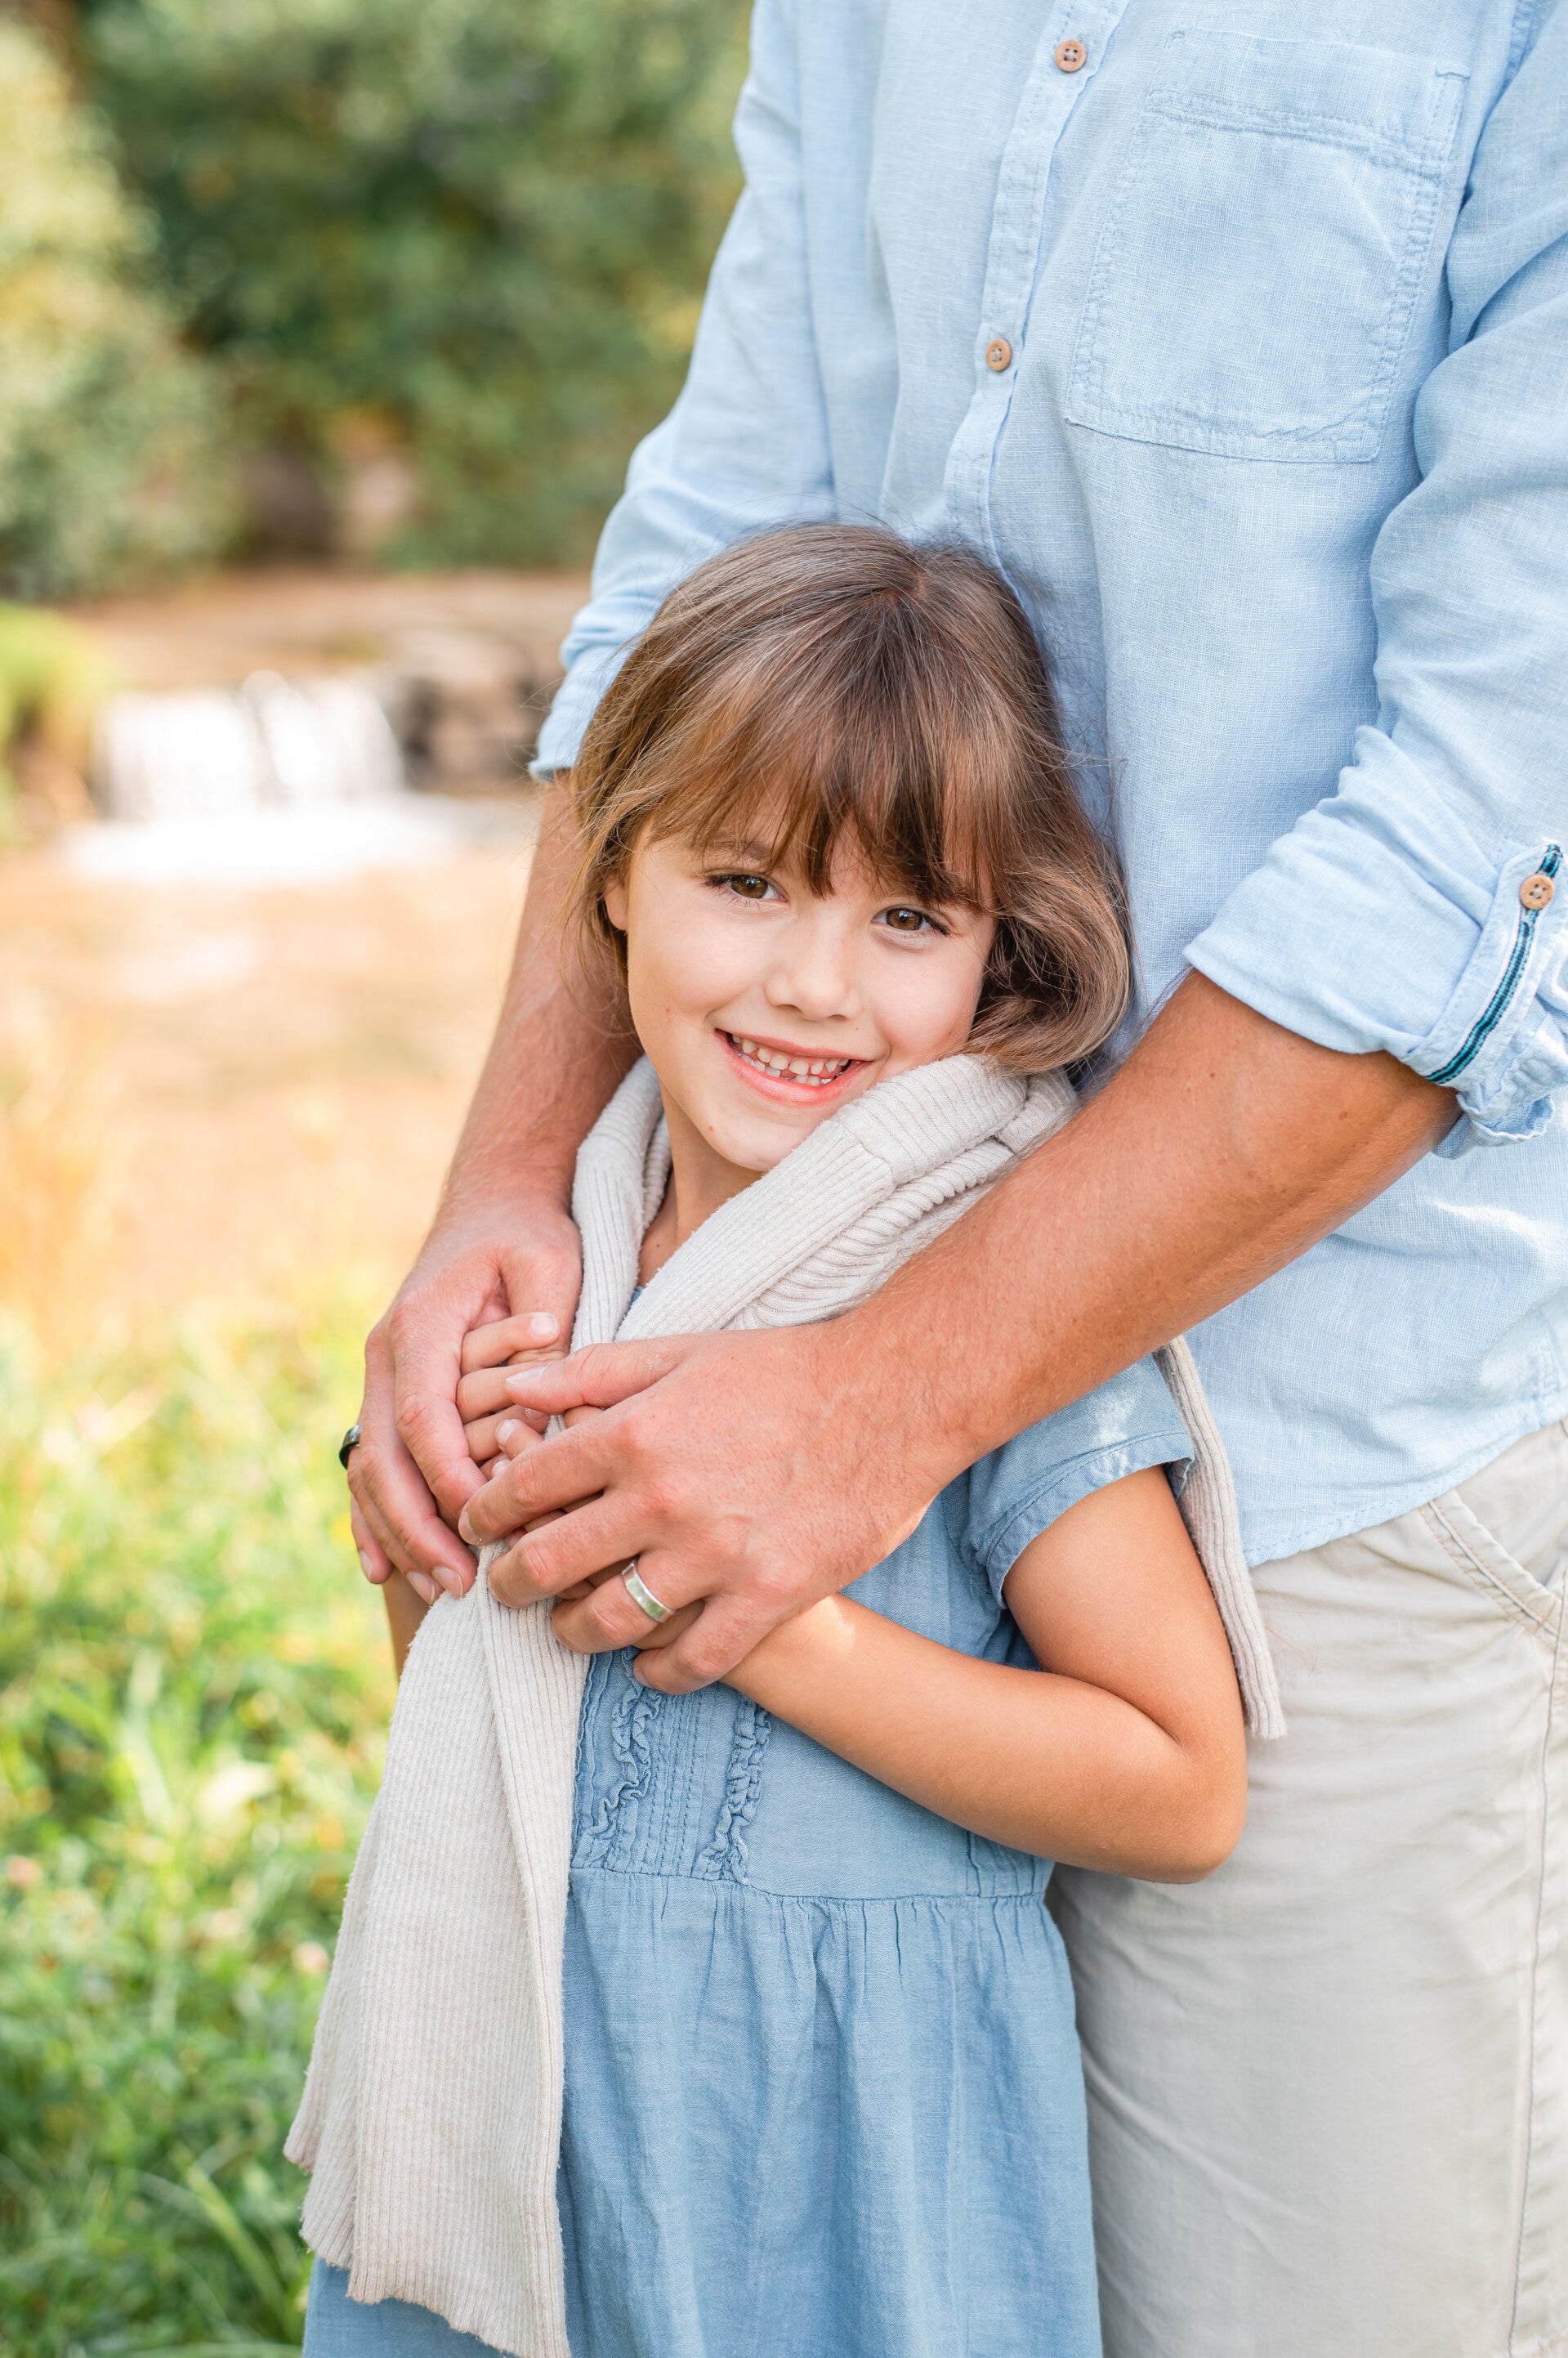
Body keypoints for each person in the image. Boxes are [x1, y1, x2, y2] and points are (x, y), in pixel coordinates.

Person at [345, 11, 1568, 2354]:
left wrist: (870, 1410)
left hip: (1333, 1453)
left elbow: (1494, 837)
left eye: (898, 916)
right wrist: (513, 1176)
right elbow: (717, 534)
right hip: (777, 1310)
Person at [297, 527, 1253, 2358]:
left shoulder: (977, 1298)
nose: (816, 982)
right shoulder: (560, 1244)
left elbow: (1177, 1782)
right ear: (617, 879)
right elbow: (468, 1695)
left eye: (909, 917)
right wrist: (418, 1521)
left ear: (996, 951)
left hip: (843, 2176)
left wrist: (797, 1635)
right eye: (746, 881)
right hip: (526, 2113)